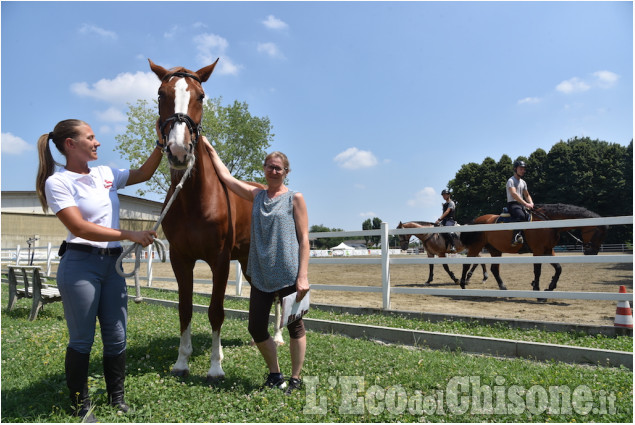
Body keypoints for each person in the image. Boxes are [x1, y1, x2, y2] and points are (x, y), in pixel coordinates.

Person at [35, 119, 163, 422]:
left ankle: (116, 398)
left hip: (112, 266)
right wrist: (130, 235)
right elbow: (79, 227)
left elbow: (144, 173)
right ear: (71, 144)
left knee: (117, 337)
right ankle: (81, 405)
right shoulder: (58, 182)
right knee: (82, 340)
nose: (97, 142)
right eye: (90, 137)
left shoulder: (106, 174)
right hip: (81, 265)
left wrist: (161, 144)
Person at [202, 136, 310, 395]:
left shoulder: (295, 198)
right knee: (256, 327)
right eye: (269, 167)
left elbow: (305, 239)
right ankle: (275, 373)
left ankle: (295, 378)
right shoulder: (256, 195)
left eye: (278, 168)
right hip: (260, 273)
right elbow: (227, 178)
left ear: (286, 172)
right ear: (264, 169)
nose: (273, 171)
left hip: (288, 272)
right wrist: (210, 148)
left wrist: (302, 276)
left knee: (294, 326)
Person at [506, 159, 534, 247]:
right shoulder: (511, 180)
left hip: (522, 204)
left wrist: (531, 203)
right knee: (521, 215)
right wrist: (526, 204)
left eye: (524, 169)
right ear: (515, 169)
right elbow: (514, 194)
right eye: (520, 169)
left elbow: (527, 194)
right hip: (513, 204)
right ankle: (515, 237)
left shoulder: (523, 182)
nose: (523, 171)